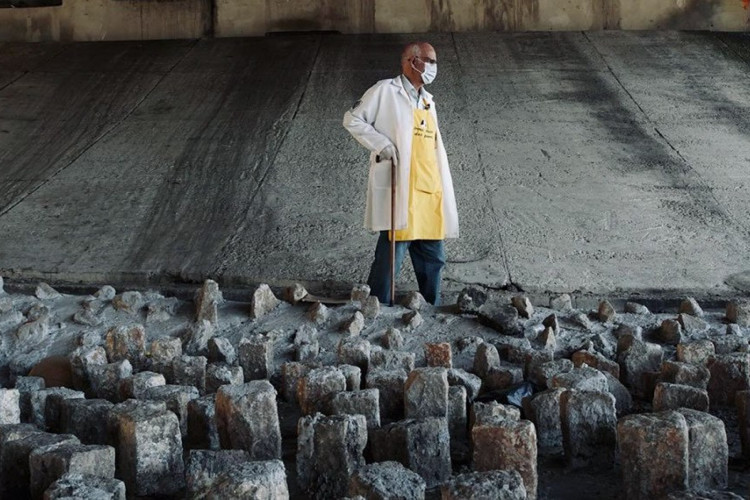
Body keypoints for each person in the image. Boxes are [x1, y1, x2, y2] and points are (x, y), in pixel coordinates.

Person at [343, 42, 459, 305]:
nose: (433, 67)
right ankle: (377, 306)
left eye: (434, 62)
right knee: (392, 255)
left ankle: (430, 307)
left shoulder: (428, 101)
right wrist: (381, 144)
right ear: (411, 61)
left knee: (434, 257)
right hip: (402, 186)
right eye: (429, 60)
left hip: (429, 190)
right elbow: (352, 119)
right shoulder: (385, 91)